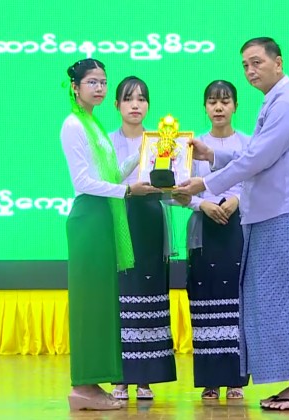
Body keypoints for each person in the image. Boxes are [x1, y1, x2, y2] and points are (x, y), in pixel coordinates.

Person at [173, 37, 289, 411]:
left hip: (287, 213)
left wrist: (205, 183)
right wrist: (214, 155)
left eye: (257, 62)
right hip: (275, 214)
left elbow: (257, 159)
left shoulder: (287, 102)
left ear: (278, 62)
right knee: (280, 300)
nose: (250, 70)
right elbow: (256, 155)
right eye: (245, 65)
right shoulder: (275, 100)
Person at [60, 59, 160, 411]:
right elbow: (83, 181)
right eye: (92, 82)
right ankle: (82, 387)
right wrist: (128, 191)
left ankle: (93, 384)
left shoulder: (93, 123)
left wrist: (144, 152)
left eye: (103, 82)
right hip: (89, 217)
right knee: (90, 305)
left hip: (103, 215)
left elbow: (111, 174)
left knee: (102, 304)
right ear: (75, 87)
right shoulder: (73, 124)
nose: (99, 88)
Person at [174, 80, 249, 400]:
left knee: (236, 304)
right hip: (203, 230)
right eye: (212, 102)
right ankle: (210, 380)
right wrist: (201, 204)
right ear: (205, 107)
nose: (219, 107)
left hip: (237, 228)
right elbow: (177, 190)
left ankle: (235, 380)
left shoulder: (249, 143)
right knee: (204, 302)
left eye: (225, 101)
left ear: (235, 106)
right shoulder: (192, 145)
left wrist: (237, 200)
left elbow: (258, 182)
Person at [108, 76, 177, 401]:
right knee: (122, 295)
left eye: (142, 99)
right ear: (117, 105)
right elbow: (107, 180)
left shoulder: (164, 141)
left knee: (150, 293)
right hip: (120, 220)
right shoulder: (106, 142)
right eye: (128, 98)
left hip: (151, 219)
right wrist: (139, 156)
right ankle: (120, 377)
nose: (135, 105)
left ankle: (146, 377)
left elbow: (173, 186)